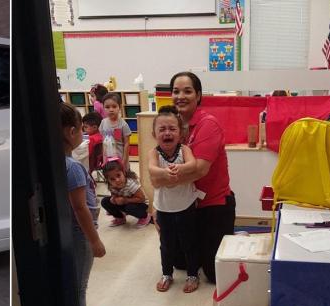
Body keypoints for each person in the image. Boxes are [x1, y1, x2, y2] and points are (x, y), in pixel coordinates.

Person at [150, 72, 235, 284]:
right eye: (176, 91)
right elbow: (152, 172)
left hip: (212, 204)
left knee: (214, 275)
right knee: (179, 262)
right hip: (183, 204)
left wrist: (161, 181)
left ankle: (232, 236)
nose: (181, 96)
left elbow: (199, 170)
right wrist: (158, 207)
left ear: (198, 95)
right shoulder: (172, 127)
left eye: (187, 91)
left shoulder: (208, 124)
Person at [148, 105, 205, 293]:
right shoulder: (154, 153)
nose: (167, 133)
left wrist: (179, 169)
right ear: (154, 133)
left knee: (189, 242)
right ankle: (166, 273)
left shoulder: (184, 149)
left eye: (172, 129)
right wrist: (164, 171)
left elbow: (193, 164)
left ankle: (192, 275)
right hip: (164, 208)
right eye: (162, 129)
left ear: (181, 133)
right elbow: (151, 169)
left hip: (185, 206)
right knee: (166, 243)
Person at [61, 102, 107, 306]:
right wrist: (95, 241)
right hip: (81, 234)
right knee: (80, 284)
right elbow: (81, 208)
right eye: (80, 128)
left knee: (73, 282)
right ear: (71, 132)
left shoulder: (54, 162)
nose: (82, 133)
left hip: (68, 230)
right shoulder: (73, 168)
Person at [100, 160, 151, 228]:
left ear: (123, 173)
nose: (117, 180)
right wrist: (114, 198)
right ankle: (120, 218)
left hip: (140, 204)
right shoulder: (111, 185)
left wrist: (125, 200)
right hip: (124, 202)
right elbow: (114, 194)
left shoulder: (130, 184)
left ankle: (145, 216)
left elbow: (142, 199)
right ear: (108, 180)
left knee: (130, 207)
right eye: (112, 179)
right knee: (105, 201)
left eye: (118, 175)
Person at [99, 92, 131, 163]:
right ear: (103, 108)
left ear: (119, 107)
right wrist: (104, 160)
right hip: (107, 159)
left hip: (120, 159)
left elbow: (127, 144)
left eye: (114, 106)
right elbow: (103, 142)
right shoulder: (103, 123)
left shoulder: (123, 124)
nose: (111, 110)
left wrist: (124, 161)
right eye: (107, 107)